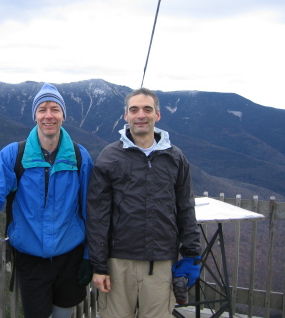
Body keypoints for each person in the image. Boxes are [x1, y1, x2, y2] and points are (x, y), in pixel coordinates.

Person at [0, 83, 94, 318]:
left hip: (70, 256)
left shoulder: (80, 158)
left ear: (63, 114)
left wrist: (89, 255)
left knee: (63, 314)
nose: (48, 115)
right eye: (42, 109)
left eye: (54, 109)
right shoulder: (15, 155)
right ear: (35, 115)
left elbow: (92, 210)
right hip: (31, 260)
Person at [86, 88, 201, 318]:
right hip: (118, 263)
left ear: (157, 115)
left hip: (160, 263)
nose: (141, 115)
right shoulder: (110, 157)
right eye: (134, 109)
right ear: (125, 115)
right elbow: (97, 215)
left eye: (147, 109)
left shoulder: (175, 158)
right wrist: (99, 266)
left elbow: (185, 208)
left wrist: (192, 255)